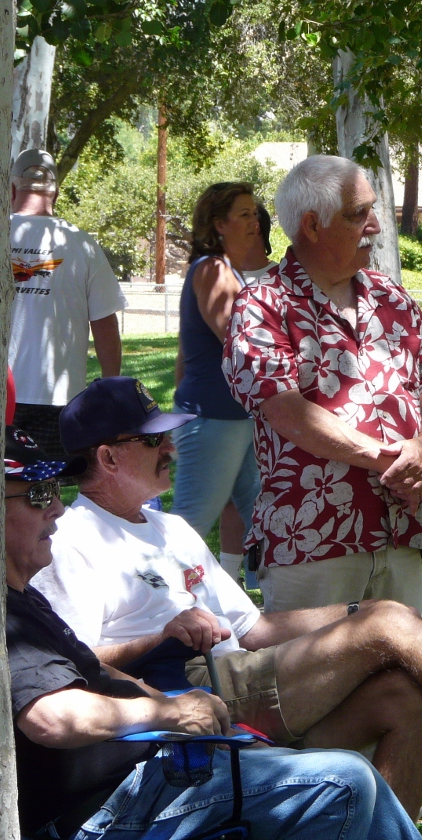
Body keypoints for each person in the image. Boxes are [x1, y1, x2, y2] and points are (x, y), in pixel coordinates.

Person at [33, 376, 422, 818]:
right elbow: (79, 665)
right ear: (109, 458)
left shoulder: (169, 527)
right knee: (391, 626)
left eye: (168, 434)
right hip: (187, 696)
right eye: (154, 440)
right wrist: (164, 633)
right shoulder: (74, 539)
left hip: (243, 675)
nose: (172, 447)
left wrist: (353, 617)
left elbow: (254, 628)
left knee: (408, 695)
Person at [2, 424, 422, 840]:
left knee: (369, 747)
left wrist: (194, 712)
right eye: (38, 494)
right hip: (111, 808)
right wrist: (167, 714)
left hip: (161, 768)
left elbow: (97, 669)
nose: (56, 507)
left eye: (55, 490)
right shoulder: (3, 615)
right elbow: (51, 717)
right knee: (344, 781)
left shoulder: (27, 601)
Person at [223, 154, 422, 615]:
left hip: (400, 529)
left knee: (403, 681)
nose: (375, 225)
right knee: (314, 683)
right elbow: (286, 411)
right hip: (314, 538)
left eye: (373, 209)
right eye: (358, 214)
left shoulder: (392, 296)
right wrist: (391, 460)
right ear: (312, 226)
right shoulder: (262, 305)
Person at [170, 183, 273, 586]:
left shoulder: (223, 270)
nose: (254, 221)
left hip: (235, 418)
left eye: (254, 212)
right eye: (244, 214)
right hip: (213, 418)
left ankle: (281, 606)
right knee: (190, 524)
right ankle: (156, 616)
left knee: (264, 513)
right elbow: (243, 343)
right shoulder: (213, 270)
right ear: (219, 224)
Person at [8, 148, 126, 459]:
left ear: (11, 189)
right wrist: (111, 387)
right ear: (56, 192)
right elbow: (105, 323)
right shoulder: (82, 244)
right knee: (48, 496)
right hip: (59, 398)